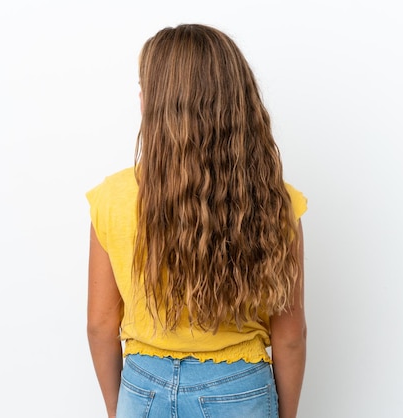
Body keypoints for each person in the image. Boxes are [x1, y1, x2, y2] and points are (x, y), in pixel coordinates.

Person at [86, 23, 307, 418]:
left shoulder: (112, 197)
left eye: (145, 87)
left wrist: (120, 408)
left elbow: (101, 326)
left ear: (157, 103)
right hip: (238, 389)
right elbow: (289, 337)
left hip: (143, 389)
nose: (139, 96)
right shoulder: (276, 202)